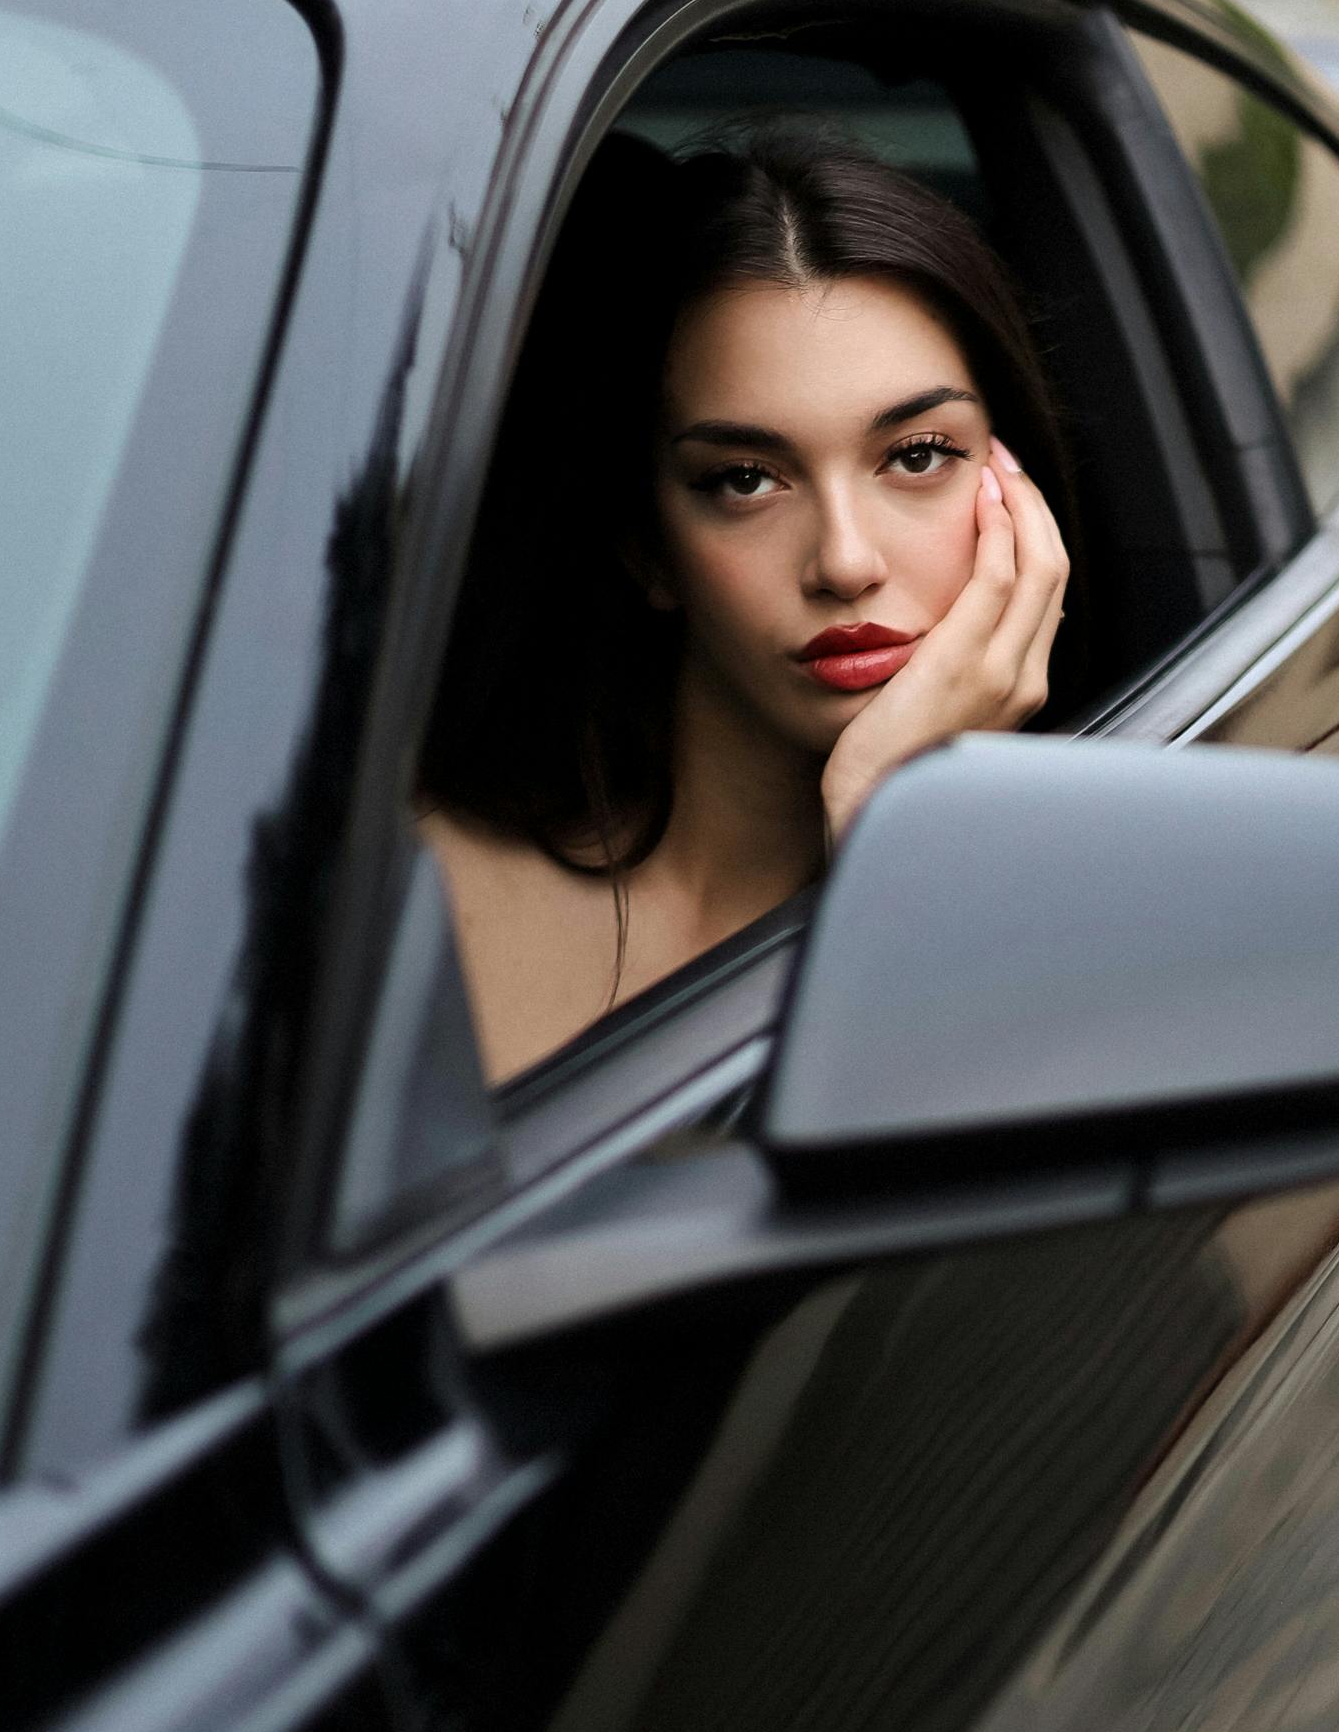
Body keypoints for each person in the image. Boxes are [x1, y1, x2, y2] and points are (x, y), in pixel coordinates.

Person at [418, 128, 1073, 1085]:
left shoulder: (1072, 916)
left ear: (1020, 507)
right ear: (648, 546)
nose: (845, 562)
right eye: (744, 479)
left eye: (919, 455)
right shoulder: (411, 891)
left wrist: (890, 825)